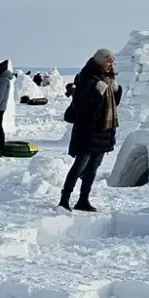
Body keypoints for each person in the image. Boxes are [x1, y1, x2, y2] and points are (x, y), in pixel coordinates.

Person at [60, 48, 121, 211]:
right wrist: (99, 91)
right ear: (101, 61)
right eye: (108, 61)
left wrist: (115, 88)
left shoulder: (108, 78)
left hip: (104, 130)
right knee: (79, 166)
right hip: (88, 130)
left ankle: (83, 200)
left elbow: (115, 103)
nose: (110, 64)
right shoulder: (87, 77)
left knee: (93, 168)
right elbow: (80, 104)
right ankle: (64, 199)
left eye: (112, 62)